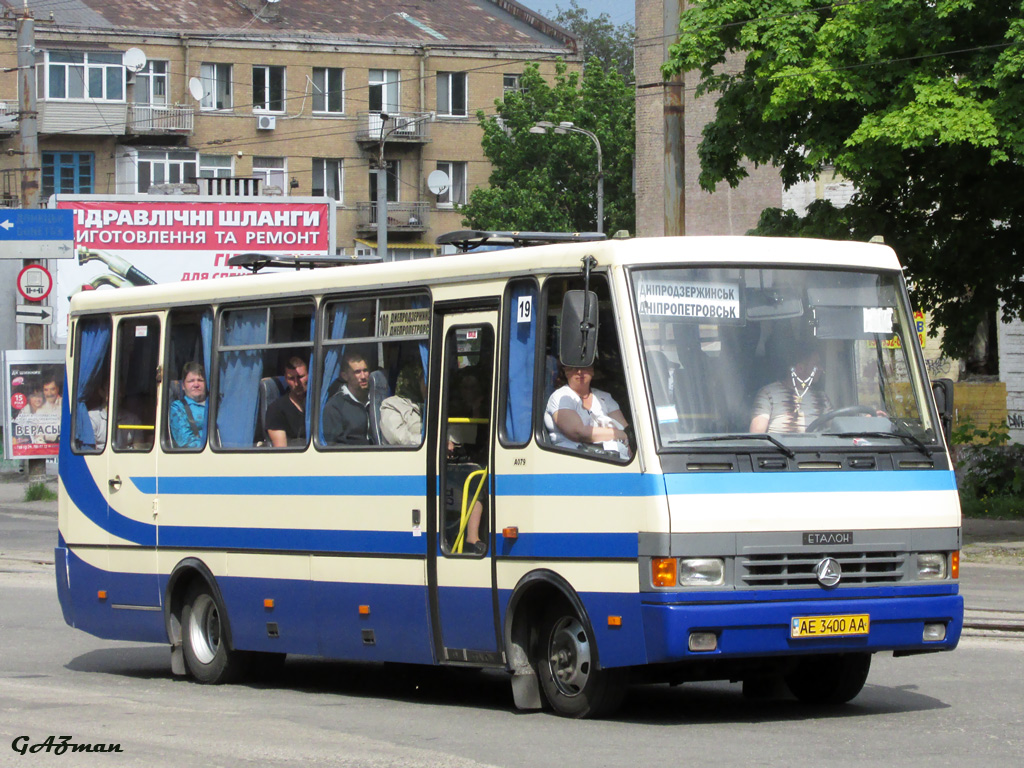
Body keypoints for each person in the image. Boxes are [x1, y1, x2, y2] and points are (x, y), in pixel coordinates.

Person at [544, 363, 630, 459]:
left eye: (584, 366)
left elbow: (625, 428)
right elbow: (578, 432)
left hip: (612, 460)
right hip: (572, 460)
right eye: (574, 367)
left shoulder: (604, 397)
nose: (579, 372)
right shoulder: (560, 396)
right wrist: (618, 434)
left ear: (592, 370)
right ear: (566, 371)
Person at [749, 351, 832, 433]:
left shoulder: (822, 397)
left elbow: (836, 426)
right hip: (778, 446)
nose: (821, 369)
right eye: (816, 365)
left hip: (817, 446)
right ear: (800, 368)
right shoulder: (768, 394)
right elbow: (757, 434)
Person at [322, 352, 372, 445]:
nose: (363, 376)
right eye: (357, 372)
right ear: (345, 376)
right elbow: (332, 446)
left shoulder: (375, 400)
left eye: (365, 371)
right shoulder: (335, 406)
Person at [380, 361, 426, 446]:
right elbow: (399, 438)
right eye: (425, 381)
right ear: (414, 382)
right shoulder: (391, 405)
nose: (428, 386)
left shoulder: (431, 404)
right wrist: (431, 441)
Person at [266, 357, 308, 447]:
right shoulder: (275, 410)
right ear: (285, 378)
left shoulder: (318, 404)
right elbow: (282, 451)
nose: (296, 383)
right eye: (291, 378)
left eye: (301, 377)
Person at [169, 362, 208, 448]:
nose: (196, 385)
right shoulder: (178, 407)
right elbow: (184, 441)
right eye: (191, 381)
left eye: (200, 380)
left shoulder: (216, 405)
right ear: (183, 386)